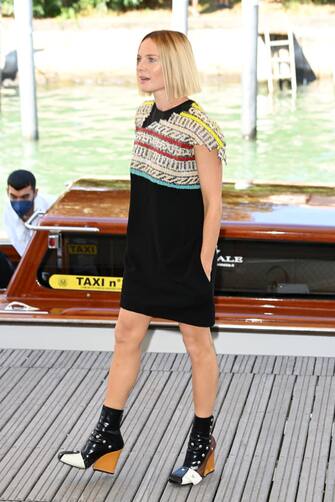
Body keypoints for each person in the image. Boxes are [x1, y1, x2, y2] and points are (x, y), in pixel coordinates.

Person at [58, 30, 225, 486]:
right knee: (125, 335)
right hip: (145, 254)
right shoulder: (141, 116)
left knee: (198, 347)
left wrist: (204, 264)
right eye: (138, 59)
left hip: (186, 258)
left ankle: (201, 445)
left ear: (173, 64)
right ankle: (107, 435)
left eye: (151, 59)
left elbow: (214, 204)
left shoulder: (200, 127)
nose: (141, 67)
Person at [3, 170, 52, 257]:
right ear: (7, 192)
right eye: (13, 196)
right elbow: (18, 245)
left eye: (24, 197)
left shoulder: (52, 207)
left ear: (35, 193)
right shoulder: (8, 211)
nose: (18, 203)